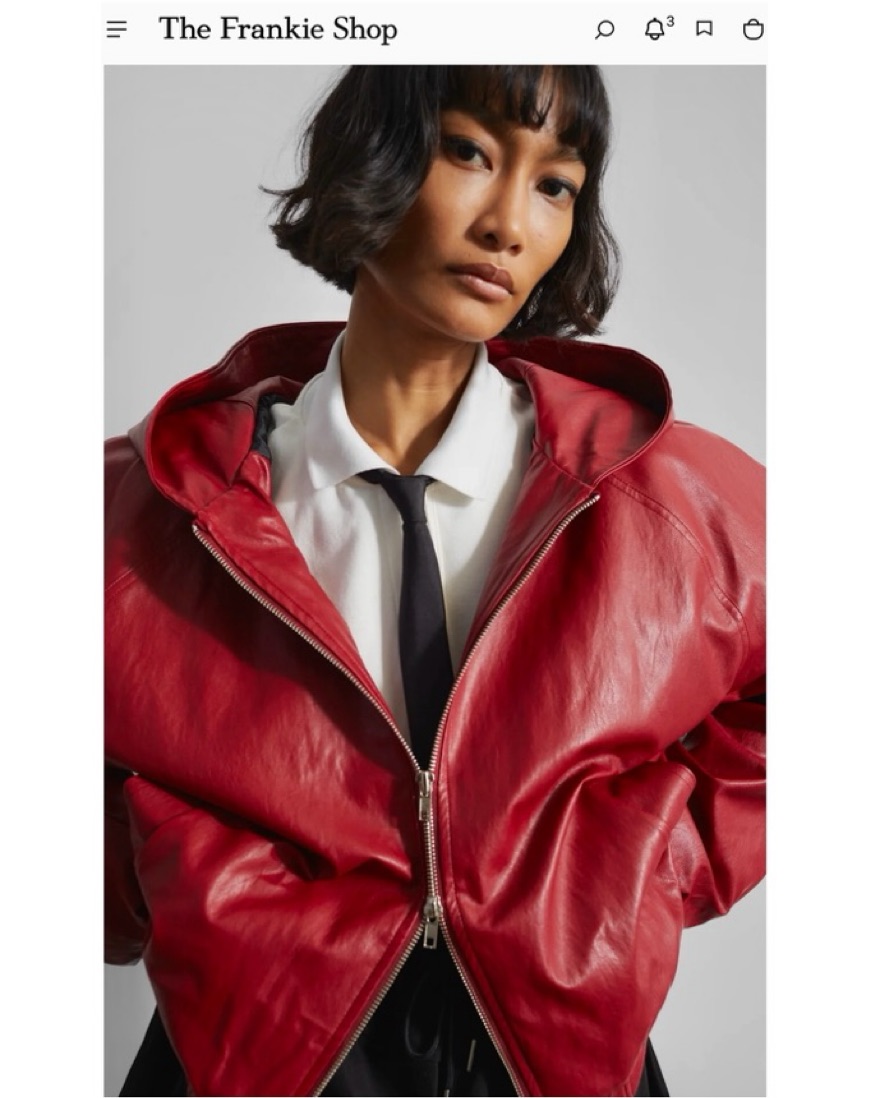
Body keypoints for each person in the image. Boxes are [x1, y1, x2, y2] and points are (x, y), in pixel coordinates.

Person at [105, 65, 765, 1097]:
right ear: (371, 154)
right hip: (250, 1060)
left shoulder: (668, 498)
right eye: (468, 152)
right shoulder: (136, 510)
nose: (510, 224)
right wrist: (181, 883)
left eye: (556, 184)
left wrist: (643, 866)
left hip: (548, 1062)